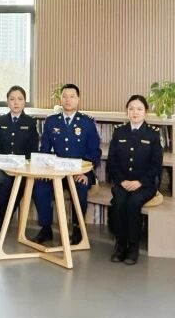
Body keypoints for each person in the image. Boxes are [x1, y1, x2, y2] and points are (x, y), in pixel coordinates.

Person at [30, 84, 102, 245]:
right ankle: (46, 228)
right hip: (55, 171)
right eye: (64, 96)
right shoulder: (51, 121)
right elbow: (45, 149)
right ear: (60, 99)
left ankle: (77, 229)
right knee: (40, 187)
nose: (68, 100)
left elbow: (95, 152)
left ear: (78, 99)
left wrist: (85, 173)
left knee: (80, 188)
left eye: (72, 96)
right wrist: (45, 171)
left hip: (79, 172)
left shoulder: (87, 122)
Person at [106, 95, 163, 265]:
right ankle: (120, 246)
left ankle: (133, 247)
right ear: (127, 111)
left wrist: (140, 182)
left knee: (133, 203)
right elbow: (112, 161)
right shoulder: (119, 132)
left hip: (145, 184)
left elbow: (156, 165)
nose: (135, 112)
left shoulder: (153, 134)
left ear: (146, 112)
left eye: (139, 109)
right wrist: (121, 180)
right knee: (119, 202)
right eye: (131, 109)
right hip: (122, 182)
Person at [0, 86, 39, 237]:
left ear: (24, 102)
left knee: (19, 185)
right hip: (3, 166)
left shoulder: (30, 122)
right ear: (7, 102)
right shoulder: (0, 121)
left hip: (23, 168)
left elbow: (33, 149)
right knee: (5, 183)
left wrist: (22, 165)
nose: (16, 102)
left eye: (20, 99)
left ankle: (2, 221)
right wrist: (5, 163)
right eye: (12, 99)